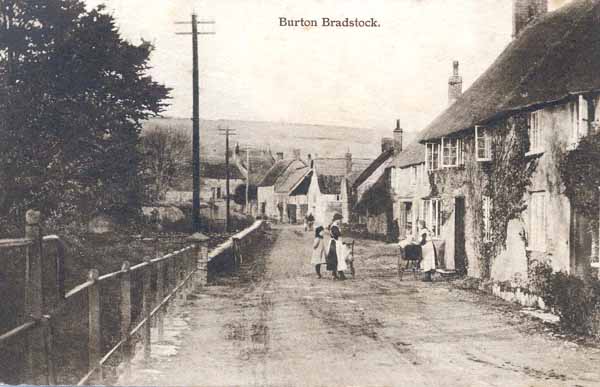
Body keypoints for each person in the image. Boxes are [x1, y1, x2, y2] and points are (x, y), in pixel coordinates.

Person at [326, 213, 347, 280]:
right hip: (335, 244)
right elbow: (337, 235)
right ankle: (340, 274)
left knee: (335, 258)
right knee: (338, 258)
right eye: (340, 219)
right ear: (337, 219)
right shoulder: (334, 226)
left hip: (334, 243)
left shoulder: (335, 226)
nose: (340, 221)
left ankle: (335, 274)